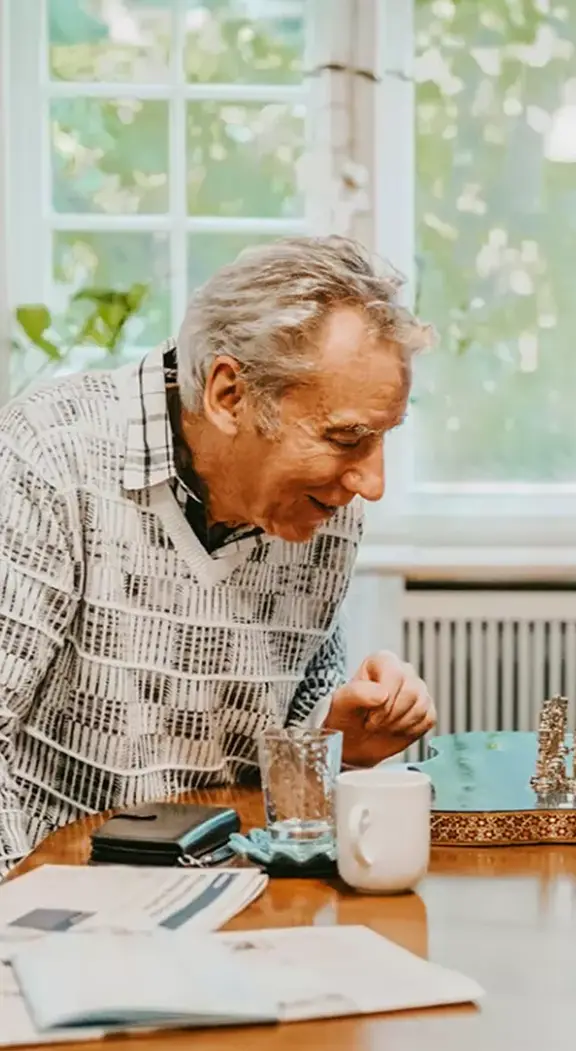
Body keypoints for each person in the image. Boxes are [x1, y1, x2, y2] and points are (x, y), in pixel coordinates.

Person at [0, 235, 437, 875]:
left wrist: (340, 742)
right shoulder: (47, 459)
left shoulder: (322, 513)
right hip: (49, 912)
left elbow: (283, 778)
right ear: (229, 395)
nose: (371, 483)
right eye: (346, 438)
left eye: (382, 439)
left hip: (227, 900)